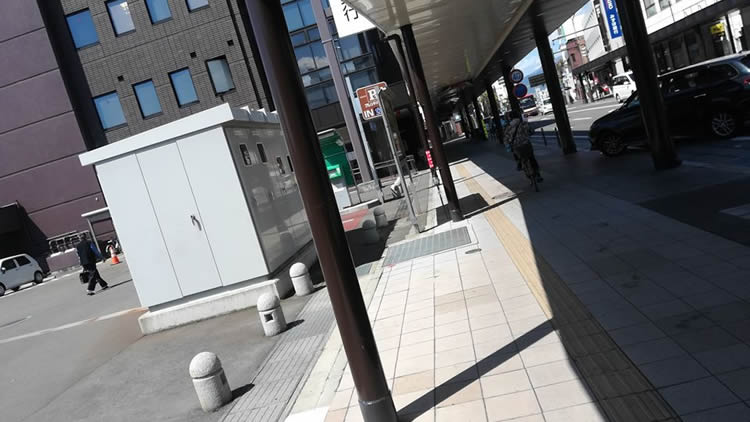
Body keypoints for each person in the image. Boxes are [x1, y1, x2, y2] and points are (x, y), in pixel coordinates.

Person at [503, 110, 542, 182]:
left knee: (520, 157)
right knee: (531, 158)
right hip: (526, 144)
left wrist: (508, 145)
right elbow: (531, 131)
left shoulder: (508, 128)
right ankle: (538, 175)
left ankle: (520, 165)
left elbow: (506, 139)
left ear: (510, 118)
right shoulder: (523, 124)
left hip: (517, 147)